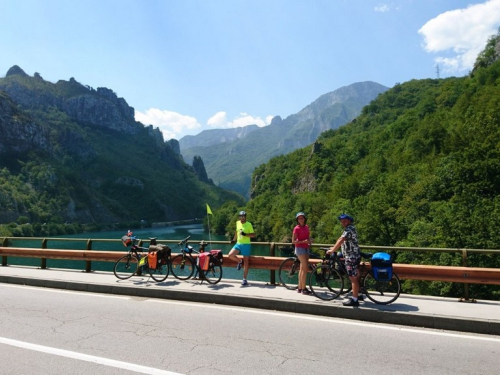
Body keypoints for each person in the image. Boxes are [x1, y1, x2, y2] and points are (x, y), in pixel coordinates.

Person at [327, 213, 362, 307]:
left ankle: (355, 300)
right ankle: (358, 294)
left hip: (351, 257)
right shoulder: (350, 228)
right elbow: (340, 239)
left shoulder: (349, 229)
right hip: (356, 255)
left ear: (349, 221)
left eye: (345, 221)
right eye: (342, 221)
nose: (343, 222)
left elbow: (341, 239)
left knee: (352, 278)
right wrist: (333, 247)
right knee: (356, 275)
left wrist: (333, 250)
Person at [228, 211, 255, 286]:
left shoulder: (249, 224)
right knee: (230, 255)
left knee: (246, 261)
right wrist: (234, 239)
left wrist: (245, 234)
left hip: (246, 245)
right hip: (238, 244)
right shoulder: (237, 223)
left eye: (243, 216)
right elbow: (236, 232)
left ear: (245, 217)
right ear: (239, 217)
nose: (242, 217)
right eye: (241, 216)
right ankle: (239, 261)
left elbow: (253, 235)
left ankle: (244, 279)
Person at [292, 212, 312, 295]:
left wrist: (310, 240)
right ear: (297, 220)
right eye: (299, 218)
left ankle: (300, 287)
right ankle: (304, 289)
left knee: (302, 269)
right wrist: (303, 241)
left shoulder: (307, 227)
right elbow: (293, 241)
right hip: (300, 249)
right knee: (305, 268)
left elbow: (307, 237)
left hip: (306, 248)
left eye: (302, 218)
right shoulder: (296, 228)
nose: (301, 219)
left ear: (304, 218)